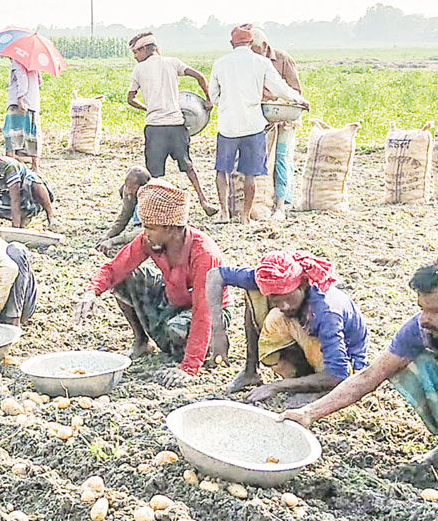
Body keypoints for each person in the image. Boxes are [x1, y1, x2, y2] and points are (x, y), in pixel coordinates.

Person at [280, 263, 438, 468]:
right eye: (422, 309)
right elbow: (369, 376)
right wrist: (309, 413)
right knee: (418, 362)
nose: (425, 319)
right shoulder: (418, 330)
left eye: (435, 311)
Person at [75, 179, 228, 387]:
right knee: (124, 278)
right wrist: (92, 292)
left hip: (208, 310)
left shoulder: (204, 255)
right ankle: (141, 341)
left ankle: (198, 352)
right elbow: (115, 268)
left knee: (177, 329)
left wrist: (189, 367)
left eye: (151, 228)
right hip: (173, 297)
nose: (145, 233)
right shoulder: (149, 241)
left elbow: (204, 312)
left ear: (172, 229)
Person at [205, 251, 370, 406]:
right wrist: (219, 332)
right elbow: (215, 275)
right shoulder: (272, 279)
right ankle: (251, 371)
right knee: (255, 293)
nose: (283, 306)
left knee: (281, 316)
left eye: (288, 298)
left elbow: (338, 375)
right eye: (276, 300)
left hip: (345, 363)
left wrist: (276, 387)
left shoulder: (326, 311)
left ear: (302, 285)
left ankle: (319, 390)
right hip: (305, 335)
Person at [209, 24, 309, 225]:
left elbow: (213, 95)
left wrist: (227, 105)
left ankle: (223, 213)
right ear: (250, 43)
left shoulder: (220, 63)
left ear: (232, 44)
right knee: (250, 174)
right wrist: (299, 100)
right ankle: (246, 217)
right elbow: (280, 88)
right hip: (253, 127)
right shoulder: (261, 63)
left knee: (223, 170)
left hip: (228, 126)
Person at [127, 32, 218, 216]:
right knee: (188, 165)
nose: (135, 57)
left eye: (136, 52)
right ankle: (204, 201)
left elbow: (130, 98)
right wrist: (208, 100)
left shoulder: (139, 69)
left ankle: (154, 209)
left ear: (144, 49)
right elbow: (199, 76)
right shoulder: (172, 63)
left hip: (155, 128)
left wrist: (148, 108)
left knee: (155, 174)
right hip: (176, 125)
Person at [251, 28, 302, 221]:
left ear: (264, 47)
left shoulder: (282, 59)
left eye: (255, 50)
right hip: (263, 119)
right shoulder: (252, 63)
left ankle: (282, 204)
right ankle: (265, 202)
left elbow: (295, 89)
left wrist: (275, 98)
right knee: (264, 162)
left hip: (286, 118)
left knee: (282, 159)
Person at [0, 145, 57, 231]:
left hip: (31, 193)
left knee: (33, 180)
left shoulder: (7, 166)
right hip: (10, 197)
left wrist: (15, 227)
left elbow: (15, 197)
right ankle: (24, 216)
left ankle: (51, 216)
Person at [98, 167, 151, 256]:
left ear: (144, 186)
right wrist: (108, 235)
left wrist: (115, 240)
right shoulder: (127, 190)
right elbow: (124, 216)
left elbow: (148, 231)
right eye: (127, 186)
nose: (129, 190)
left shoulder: (154, 198)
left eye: (132, 187)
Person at [4, 58, 42, 172]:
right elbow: (40, 81)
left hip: (19, 103)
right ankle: (35, 165)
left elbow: (22, 78)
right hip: (32, 102)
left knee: (10, 132)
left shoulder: (17, 61)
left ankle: (10, 161)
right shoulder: (32, 62)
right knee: (31, 133)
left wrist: (20, 98)